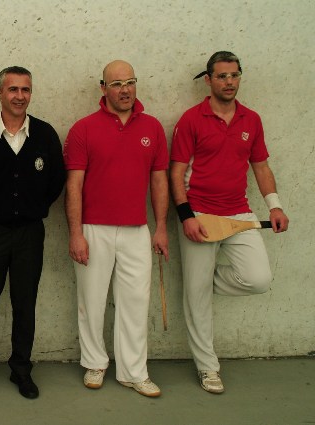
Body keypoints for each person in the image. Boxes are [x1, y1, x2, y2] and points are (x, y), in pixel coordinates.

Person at [170, 51, 289, 394]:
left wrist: (275, 206)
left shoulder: (251, 119)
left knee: (258, 278)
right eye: (221, 76)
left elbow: (261, 166)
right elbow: (176, 172)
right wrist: (186, 216)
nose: (229, 82)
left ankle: (200, 282)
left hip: (239, 213)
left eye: (234, 75)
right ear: (208, 80)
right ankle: (209, 369)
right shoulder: (191, 120)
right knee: (197, 301)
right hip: (200, 214)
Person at [63, 60, 169, 398]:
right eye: (116, 83)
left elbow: (159, 180)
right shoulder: (84, 129)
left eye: (130, 82)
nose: (124, 90)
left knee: (136, 303)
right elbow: (74, 185)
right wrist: (76, 232)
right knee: (91, 301)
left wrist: (161, 227)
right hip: (94, 229)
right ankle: (95, 362)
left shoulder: (153, 128)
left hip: (138, 229)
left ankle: (134, 371)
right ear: (103, 88)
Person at [0, 66, 65, 399]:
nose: (19, 96)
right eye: (13, 89)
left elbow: (55, 182)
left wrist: (33, 209)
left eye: (25, 90)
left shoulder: (45, 135)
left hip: (29, 235)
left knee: (25, 303)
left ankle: (21, 370)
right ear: (0, 93)